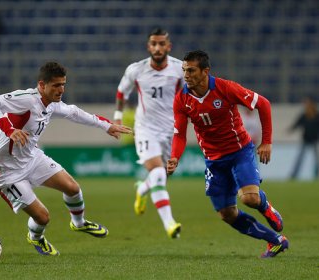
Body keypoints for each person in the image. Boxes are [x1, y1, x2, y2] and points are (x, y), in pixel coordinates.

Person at [0, 61, 132, 256]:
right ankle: (36, 238)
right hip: (6, 172)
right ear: (42, 85)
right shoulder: (27, 99)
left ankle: (79, 223)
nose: (61, 90)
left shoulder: (52, 104)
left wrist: (107, 126)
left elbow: (75, 112)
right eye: (56, 85)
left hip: (31, 158)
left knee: (73, 188)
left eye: (63, 84)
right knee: (43, 217)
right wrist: (9, 129)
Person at [167, 50, 289, 258]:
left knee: (249, 198)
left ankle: (265, 205)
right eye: (184, 70)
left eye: (191, 70)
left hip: (239, 152)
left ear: (205, 71)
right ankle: (276, 241)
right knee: (226, 214)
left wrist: (267, 141)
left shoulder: (225, 88)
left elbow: (263, 104)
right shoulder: (181, 99)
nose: (186, 75)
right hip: (214, 161)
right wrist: (174, 157)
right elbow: (179, 135)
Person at [113, 28, 183, 238]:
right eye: (154, 43)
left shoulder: (180, 69)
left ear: (168, 47)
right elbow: (121, 92)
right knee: (159, 173)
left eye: (162, 44)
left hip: (171, 131)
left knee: (162, 175)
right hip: (146, 129)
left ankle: (142, 189)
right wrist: (118, 116)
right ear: (148, 46)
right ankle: (170, 224)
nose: (158, 47)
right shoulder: (136, 70)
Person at [288, 97, 319, 179]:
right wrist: (290, 130)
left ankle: (316, 175)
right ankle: (294, 175)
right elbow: (297, 124)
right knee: (300, 159)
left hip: (314, 140)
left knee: (316, 160)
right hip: (305, 140)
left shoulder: (317, 115)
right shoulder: (304, 115)